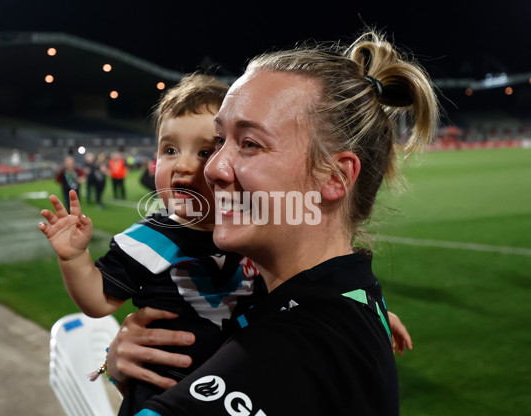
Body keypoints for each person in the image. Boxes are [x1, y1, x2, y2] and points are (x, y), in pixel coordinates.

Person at [108, 31, 435, 415]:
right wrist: (123, 368)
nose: (211, 168)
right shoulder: (347, 295)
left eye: (249, 143)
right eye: (219, 142)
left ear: (335, 177)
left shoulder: (294, 347)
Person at [39, 73, 268, 413]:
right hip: (161, 392)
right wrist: (74, 258)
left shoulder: (257, 232)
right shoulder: (149, 238)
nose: (183, 165)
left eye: (205, 151)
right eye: (170, 150)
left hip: (239, 390)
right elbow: (99, 301)